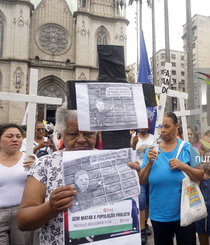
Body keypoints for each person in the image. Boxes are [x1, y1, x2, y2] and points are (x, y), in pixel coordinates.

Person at [16, 103, 140, 245]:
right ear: (62, 134)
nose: (81, 139)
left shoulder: (114, 162)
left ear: (97, 134)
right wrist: (50, 207)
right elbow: (23, 221)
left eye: (88, 134)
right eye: (73, 134)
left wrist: (132, 180)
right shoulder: (44, 165)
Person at [139, 112, 204, 245]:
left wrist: (183, 166)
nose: (163, 130)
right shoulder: (151, 150)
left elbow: (201, 173)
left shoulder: (188, 148)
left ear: (176, 127)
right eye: (161, 127)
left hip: (185, 213)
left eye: (167, 126)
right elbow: (141, 181)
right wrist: (150, 163)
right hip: (159, 216)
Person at [0, 123, 36, 245]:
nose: (15, 139)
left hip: (22, 212)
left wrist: (37, 168)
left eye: (19, 136)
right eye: (9, 136)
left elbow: (40, 185)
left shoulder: (30, 158)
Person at [131, 120, 154, 244]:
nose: (142, 127)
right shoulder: (134, 138)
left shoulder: (153, 138)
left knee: (148, 201)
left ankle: (144, 222)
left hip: (151, 171)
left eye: (145, 124)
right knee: (141, 200)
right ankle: (142, 230)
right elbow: (131, 154)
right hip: (139, 173)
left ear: (149, 126)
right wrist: (133, 144)